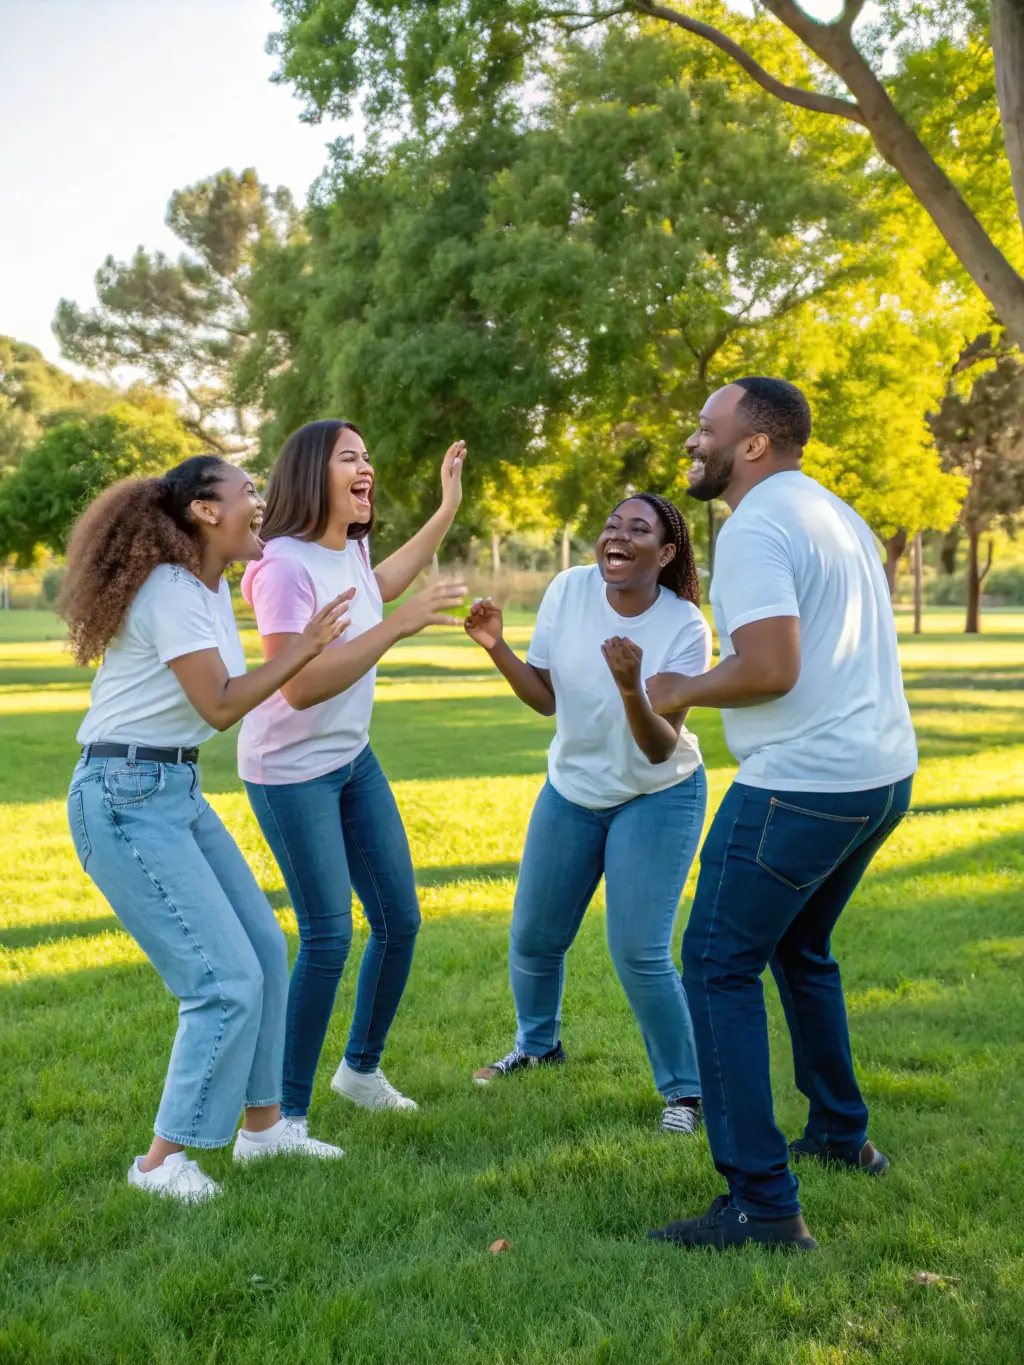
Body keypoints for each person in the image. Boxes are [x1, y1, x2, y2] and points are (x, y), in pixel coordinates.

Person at [643, 378, 918, 1251]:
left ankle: (763, 1203)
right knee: (799, 949)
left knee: (717, 962)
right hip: (878, 776)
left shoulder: (758, 523)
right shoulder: (834, 512)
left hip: (803, 784)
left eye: (705, 429)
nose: (693, 440)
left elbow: (771, 665)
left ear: (753, 445)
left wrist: (682, 686)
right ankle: (841, 1131)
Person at [64, 455, 355, 1205]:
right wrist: (306, 649)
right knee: (222, 980)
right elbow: (222, 703)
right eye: (246, 493)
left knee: (264, 946)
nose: (259, 503)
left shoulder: (207, 584)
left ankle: (262, 1130)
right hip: (125, 793)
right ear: (203, 511)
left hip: (173, 786)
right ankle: (161, 1161)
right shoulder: (168, 590)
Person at [239, 420, 467, 1129]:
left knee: (400, 918)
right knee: (328, 935)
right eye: (350, 457)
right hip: (290, 772)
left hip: (349, 759)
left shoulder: (349, 549)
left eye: (368, 456)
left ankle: (359, 1070)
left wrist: (446, 508)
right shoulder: (282, 566)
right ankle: (287, 1119)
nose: (366, 466)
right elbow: (298, 686)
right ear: (313, 472)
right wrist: (399, 626)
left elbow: (380, 582)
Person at [464, 494, 711, 1134]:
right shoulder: (569, 590)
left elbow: (659, 747)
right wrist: (496, 646)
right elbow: (545, 699)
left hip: (656, 794)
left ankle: (687, 1095)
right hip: (572, 790)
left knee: (638, 950)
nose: (618, 536)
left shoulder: (685, 626)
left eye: (639, 529)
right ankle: (538, 1047)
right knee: (534, 937)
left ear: (666, 552)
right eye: (610, 525)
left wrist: (632, 685)